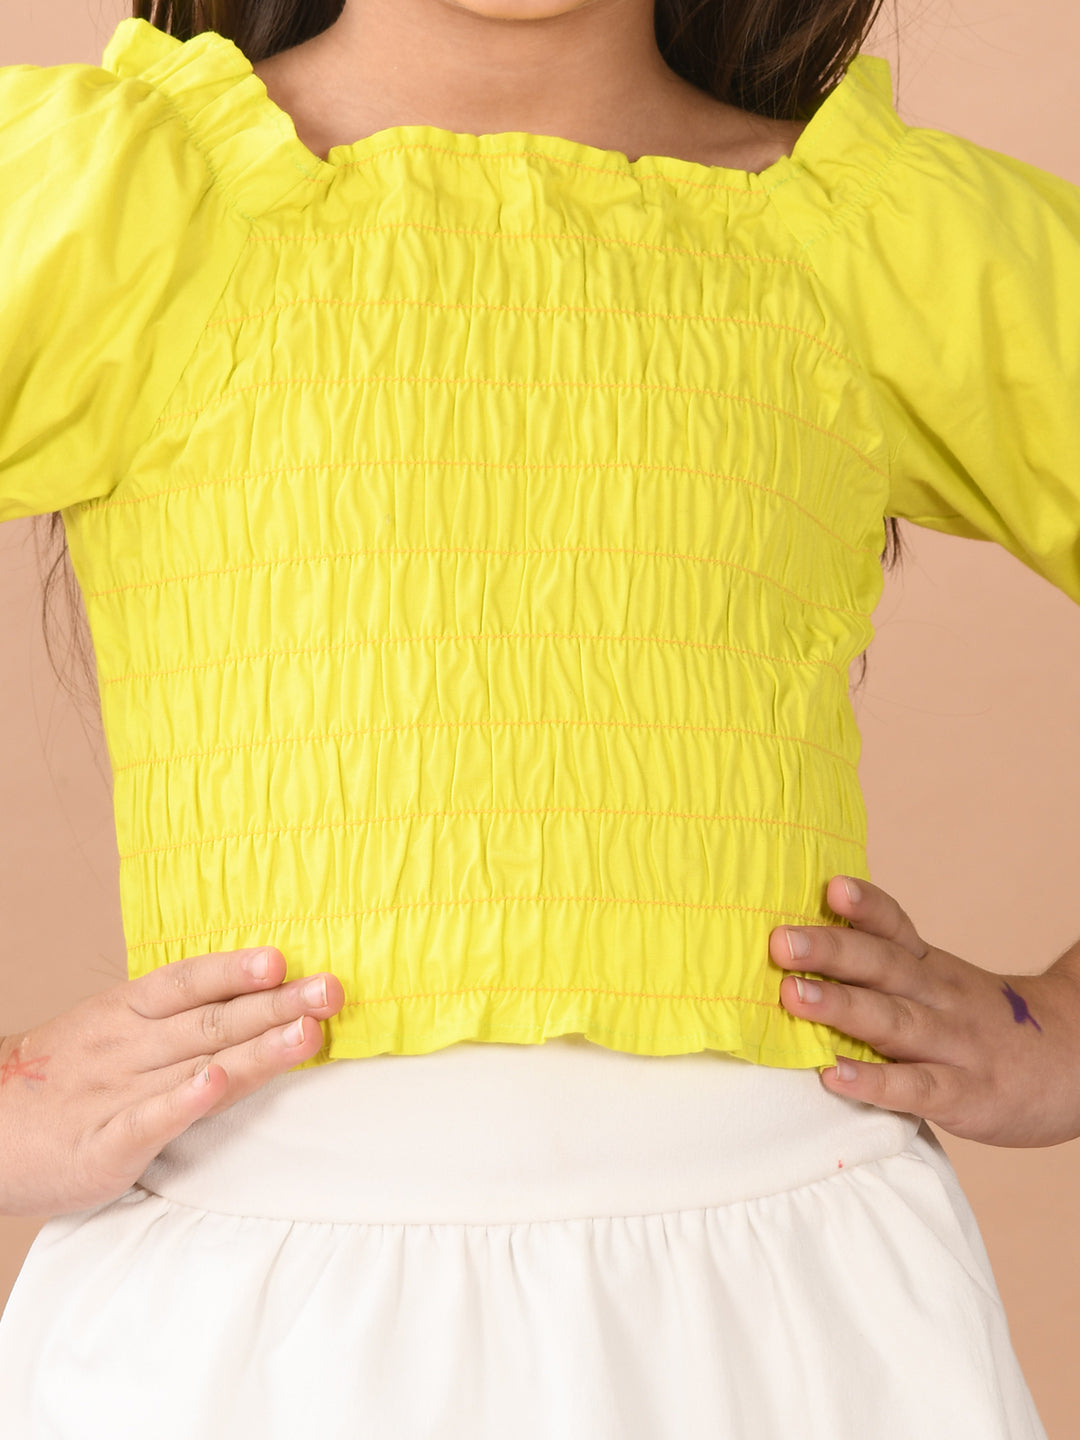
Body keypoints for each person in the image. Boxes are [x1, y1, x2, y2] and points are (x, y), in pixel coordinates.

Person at [0, 0, 1076, 1434]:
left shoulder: (870, 237)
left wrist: (1064, 1033)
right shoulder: (110, 206)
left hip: (796, 1320)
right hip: (251, 1332)